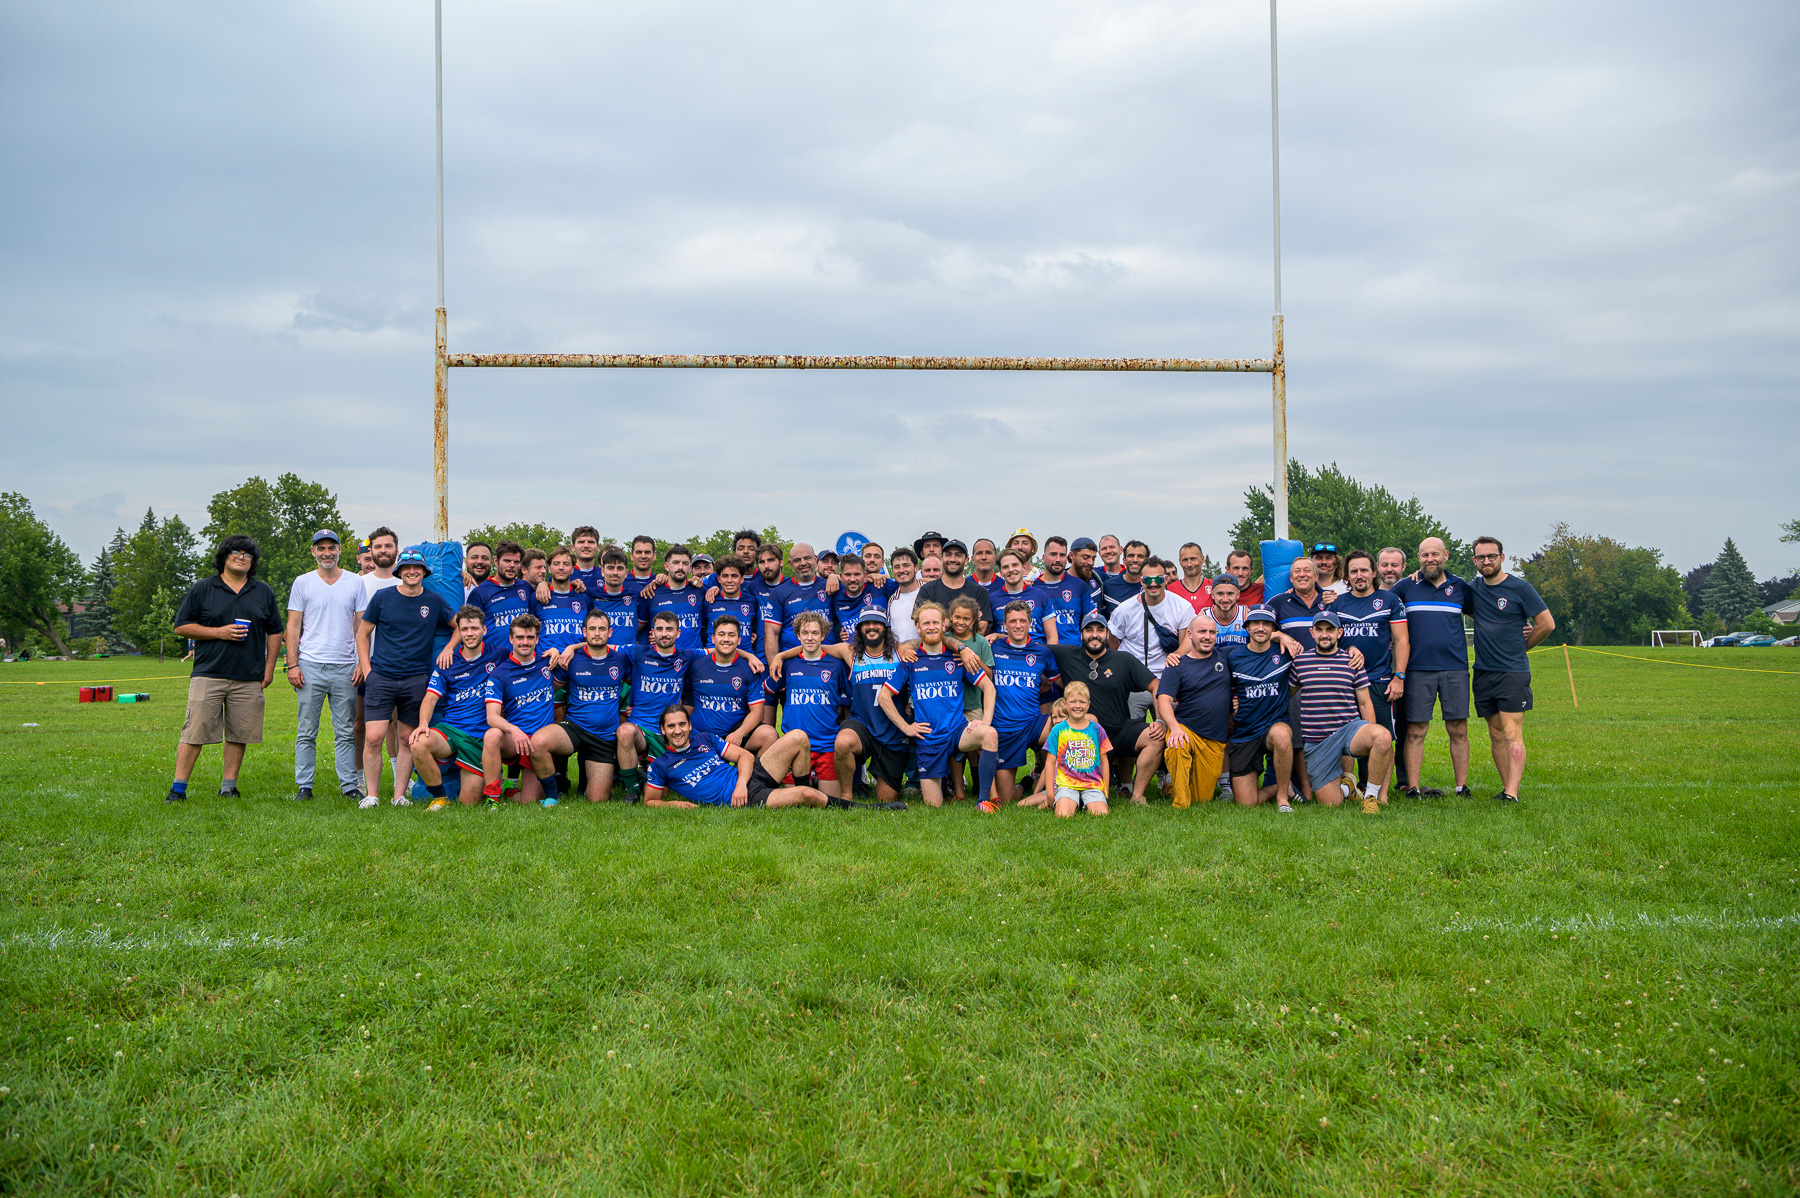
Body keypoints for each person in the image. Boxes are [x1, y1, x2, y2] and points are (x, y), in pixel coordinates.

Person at [165, 535, 284, 802]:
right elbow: (181, 626)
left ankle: (229, 786)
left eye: (248, 554)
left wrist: (269, 667)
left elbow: (276, 631)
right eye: (236, 552)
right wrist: (218, 632)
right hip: (208, 673)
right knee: (195, 731)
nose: (242, 557)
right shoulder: (203, 588)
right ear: (224, 556)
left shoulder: (262, 591)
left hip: (248, 676)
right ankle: (178, 788)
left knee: (238, 733)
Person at [355, 548, 457, 808]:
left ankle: (399, 795)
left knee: (405, 739)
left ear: (424, 571)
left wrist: (447, 648)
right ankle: (372, 795)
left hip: (415, 679)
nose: (412, 571)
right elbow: (362, 634)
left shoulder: (434, 600)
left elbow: (459, 627)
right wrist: (368, 671)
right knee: (373, 737)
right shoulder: (382, 597)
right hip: (382, 677)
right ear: (399, 571)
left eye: (417, 568)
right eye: (407, 567)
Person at [878, 600, 999, 810]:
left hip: (956, 732)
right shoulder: (911, 660)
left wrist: (984, 722)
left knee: (989, 735)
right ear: (918, 627)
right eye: (926, 623)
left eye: (936, 622)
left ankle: (983, 801)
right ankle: (945, 788)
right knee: (933, 806)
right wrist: (906, 727)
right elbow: (883, 697)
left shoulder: (957, 657)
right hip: (929, 738)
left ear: (944, 625)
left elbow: (989, 687)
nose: (931, 626)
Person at [1468, 536, 1555, 803]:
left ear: (1502, 558)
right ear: (1475, 561)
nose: (1487, 561)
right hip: (1483, 671)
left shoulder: (1521, 588)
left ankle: (1512, 793)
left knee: (1511, 732)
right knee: (1495, 733)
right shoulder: (1472, 590)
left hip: (1512, 672)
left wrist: (1523, 646)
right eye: (1481, 557)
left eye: (1491, 556)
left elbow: (1546, 624)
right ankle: (1506, 788)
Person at [1048, 612, 1163, 804]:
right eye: (1089, 630)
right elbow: (1031, 648)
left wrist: (1159, 720)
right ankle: (1056, 786)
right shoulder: (1067, 654)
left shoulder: (1123, 660)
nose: (1095, 634)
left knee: (1156, 739)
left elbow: (1155, 685)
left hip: (1120, 730)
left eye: (1100, 630)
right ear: (1081, 634)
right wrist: (998, 637)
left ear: (1107, 634)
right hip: (1086, 736)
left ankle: (1137, 795)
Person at [283, 529, 362, 802]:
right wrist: (292, 664)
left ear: (340, 550)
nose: (327, 553)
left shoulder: (354, 582)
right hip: (310, 665)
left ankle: (350, 786)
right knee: (306, 731)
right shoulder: (302, 582)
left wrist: (362, 662)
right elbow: (293, 625)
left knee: (345, 731)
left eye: (332, 547)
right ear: (313, 551)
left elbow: (361, 627)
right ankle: (304, 786)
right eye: (321, 548)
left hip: (345, 667)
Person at [1392, 537, 1474, 798]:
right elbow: (1377, 603)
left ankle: (1461, 787)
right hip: (1418, 670)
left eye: (1435, 554)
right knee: (1416, 730)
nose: (1430, 559)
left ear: (1446, 555)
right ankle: (1413, 788)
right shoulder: (1406, 587)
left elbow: (1485, 614)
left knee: (1458, 729)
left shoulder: (1460, 586)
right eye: (1425, 555)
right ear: (1418, 557)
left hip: (1455, 669)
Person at [1288, 610, 1392, 812]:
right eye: (1319, 629)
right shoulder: (1300, 663)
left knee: (1382, 737)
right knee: (1330, 804)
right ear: (1312, 632)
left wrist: (1370, 735)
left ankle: (1370, 797)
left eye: (1330, 630)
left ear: (1340, 633)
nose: (1324, 634)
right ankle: (1347, 788)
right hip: (1317, 740)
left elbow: (1364, 703)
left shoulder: (1352, 661)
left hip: (1348, 730)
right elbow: (1288, 694)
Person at [531, 609, 636, 802]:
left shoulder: (621, 659)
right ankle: (552, 796)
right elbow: (553, 689)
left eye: (602, 629)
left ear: (610, 633)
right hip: (575, 728)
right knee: (537, 743)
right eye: (592, 629)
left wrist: (632, 708)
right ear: (584, 631)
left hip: (604, 737)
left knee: (597, 799)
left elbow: (633, 685)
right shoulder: (571, 660)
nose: (597, 633)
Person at [642, 707, 836, 809]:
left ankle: (803, 788)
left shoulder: (705, 738)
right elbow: (650, 801)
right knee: (808, 796)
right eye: (671, 726)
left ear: (689, 726)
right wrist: (673, 804)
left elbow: (744, 755)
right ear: (662, 730)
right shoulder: (661, 765)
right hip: (745, 799)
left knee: (798, 737)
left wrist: (741, 785)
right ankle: (861, 808)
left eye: (682, 724)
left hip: (748, 779)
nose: (678, 731)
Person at [409, 605, 503, 808]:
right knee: (418, 743)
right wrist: (423, 724)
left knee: (468, 802)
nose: (469, 634)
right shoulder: (447, 662)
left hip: (479, 736)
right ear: (458, 632)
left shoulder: (500, 656)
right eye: (464, 629)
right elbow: (430, 698)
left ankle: (496, 779)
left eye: (474, 628)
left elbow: (528, 659)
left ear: (484, 630)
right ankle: (439, 797)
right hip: (451, 728)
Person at [1333, 550, 1409, 794]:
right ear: (1347, 575)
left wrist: (1399, 676)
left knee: (1383, 737)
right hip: (1346, 683)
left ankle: (1381, 794)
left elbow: (1402, 640)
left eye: (1364, 570)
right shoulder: (1338, 604)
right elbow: (1330, 641)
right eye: (1353, 571)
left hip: (1379, 680)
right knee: (1347, 736)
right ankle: (1352, 786)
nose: (1359, 575)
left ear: (1374, 572)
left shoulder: (1389, 601)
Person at [481, 613, 562, 806]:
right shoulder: (500, 673)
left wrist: (559, 651)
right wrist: (514, 730)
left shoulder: (548, 663)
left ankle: (509, 790)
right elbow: (492, 717)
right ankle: (492, 796)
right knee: (492, 735)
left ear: (537, 639)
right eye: (519, 637)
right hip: (514, 740)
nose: (525, 642)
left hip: (538, 745)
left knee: (529, 801)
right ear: (511, 639)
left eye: (530, 637)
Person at [765, 611, 850, 793]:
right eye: (805, 633)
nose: (810, 638)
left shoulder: (835, 664)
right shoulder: (788, 663)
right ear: (798, 636)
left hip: (826, 744)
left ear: (823, 635)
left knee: (830, 802)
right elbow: (769, 689)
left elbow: (849, 696)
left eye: (815, 633)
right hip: (794, 745)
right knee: (794, 798)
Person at [1155, 612, 1233, 809]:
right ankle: (1180, 805)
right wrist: (1174, 728)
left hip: (1214, 739)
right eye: (1202, 632)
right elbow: (1164, 701)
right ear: (1189, 634)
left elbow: (1257, 644)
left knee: (1202, 798)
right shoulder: (1176, 665)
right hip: (1186, 729)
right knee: (1176, 744)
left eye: (1212, 632)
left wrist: (1279, 635)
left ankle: (1171, 789)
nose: (1207, 636)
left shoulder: (1225, 657)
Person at [985, 600, 1060, 803]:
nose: (1018, 625)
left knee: (1066, 729)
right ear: (1005, 625)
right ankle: (1026, 784)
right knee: (1007, 798)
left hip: (1034, 723)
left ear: (1030, 623)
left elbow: (1060, 681)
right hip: (1004, 728)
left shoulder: (1042, 652)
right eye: (1012, 621)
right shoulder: (992, 647)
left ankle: (1066, 785)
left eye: (1022, 621)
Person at [1224, 607, 1298, 810]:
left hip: (1273, 726)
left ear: (1273, 628)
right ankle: (1281, 787)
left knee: (1282, 734)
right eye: (1255, 623)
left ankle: (1282, 798)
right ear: (1247, 627)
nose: (1260, 628)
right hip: (1245, 731)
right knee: (1247, 804)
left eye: (1266, 624)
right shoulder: (1233, 657)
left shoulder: (1285, 653)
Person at [1106, 559, 1193, 722]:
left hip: (1166, 679)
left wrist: (1177, 654)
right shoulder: (1124, 609)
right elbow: (1113, 640)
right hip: (1133, 682)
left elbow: (1188, 639)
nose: (1153, 584)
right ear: (1141, 581)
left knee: (1167, 731)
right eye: (1148, 580)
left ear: (1166, 579)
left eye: (1158, 579)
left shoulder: (1182, 606)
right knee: (1131, 730)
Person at [351, 527, 402, 793]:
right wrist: (361, 662)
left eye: (388, 546)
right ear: (370, 551)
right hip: (365, 665)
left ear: (396, 549)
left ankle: (398, 776)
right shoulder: (360, 583)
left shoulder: (406, 580)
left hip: (396, 667)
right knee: (361, 724)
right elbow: (355, 623)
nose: (383, 551)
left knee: (395, 723)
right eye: (378, 547)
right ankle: (359, 778)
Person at [1043, 682, 1111, 818]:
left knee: (1100, 815)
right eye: (1073, 702)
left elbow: (1104, 761)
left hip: (1092, 784)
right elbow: (1050, 763)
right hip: (1067, 784)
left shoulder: (1097, 729)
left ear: (1088, 704)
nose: (1078, 706)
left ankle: (1087, 802)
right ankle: (1071, 801)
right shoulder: (1058, 730)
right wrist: (1050, 793)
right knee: (1063, 815)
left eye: (1082, 702)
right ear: (1065, 703)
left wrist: (1105, 790)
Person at [762, 541, 832, 663]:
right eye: (797, 560)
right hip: (794, 663)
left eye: (807, 558)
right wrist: (774, 666)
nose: (803, 563)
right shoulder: (779, 592)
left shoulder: (830, 587)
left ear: (815, 559)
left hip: (828, 662)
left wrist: (875, 577)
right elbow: (771, 634)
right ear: (790, 563)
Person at [918, 539, 996, 633]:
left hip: (970, 647)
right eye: (948, 554)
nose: (953, 559)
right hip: (935, 647)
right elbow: (922, 625)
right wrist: (967, 623)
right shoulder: (927, 590)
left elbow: (981, 630)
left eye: (958, 555)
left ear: (966, 560)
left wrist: (941, 621)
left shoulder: (979, 592)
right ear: (941, 558)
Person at [640, 544, 707, 652]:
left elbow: (705, 625)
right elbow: (638, 629)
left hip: (693, 659)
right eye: (676, 563)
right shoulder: (651, 593)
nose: (680, 567)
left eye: (685, 563)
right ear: (666, 566)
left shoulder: (700, 592)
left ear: (690, 568)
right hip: (663, 660)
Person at [467, 541, 537, 641]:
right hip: (493, 655)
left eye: (516, 562)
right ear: (496, 561)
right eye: (507, 561)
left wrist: (544, 585)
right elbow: (472, 630)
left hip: (521, 654)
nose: (512, 565)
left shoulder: (525, 587)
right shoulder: (479, 592)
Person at [1035, 536, 1097, 645]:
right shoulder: (1034, 588)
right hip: (1044, 653)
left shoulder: (1078, 585)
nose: (1058, 559)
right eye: (1053, 554)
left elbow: (1092, 622)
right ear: (1044, 558)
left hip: (1073, 655)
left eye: (1062, 555)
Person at [988, 550, 1056, 644]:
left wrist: (1046, 657)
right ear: (1000, 571)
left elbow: (1052, 637)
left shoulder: (1040, 596)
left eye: (1015, 565)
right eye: (1005, 567)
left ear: (1023, 567)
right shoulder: (992, 600)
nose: (1011, 569)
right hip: (1005, 655)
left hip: (1036, 655)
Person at [533, 546, 591, 655]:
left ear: (572, 569)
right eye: (556, 564)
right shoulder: (537, 597)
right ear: (549, 568)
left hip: (576, 663)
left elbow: (589, 636)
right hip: (546, 662)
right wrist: (543, 583)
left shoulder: (584, 598)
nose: (561, 567)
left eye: (566, 564)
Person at [702, 557, 764, 658]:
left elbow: (754, 628)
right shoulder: (709, 600)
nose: (729, 580)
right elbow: (702, 628)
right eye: (725, 576)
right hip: (713, 659)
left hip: (745, 660)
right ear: (719, 579)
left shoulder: (752, 601)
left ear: (742, 579)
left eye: (734, 576)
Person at [587, 547, 642, 646]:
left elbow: (642, 623)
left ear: (626, 573)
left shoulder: (636, 596)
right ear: (602, 571)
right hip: (600, 656)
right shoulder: (591, 595)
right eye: (610, 568)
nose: (615, 573)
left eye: (619, 568)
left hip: (627, 658)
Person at [886, 548, 924, 642]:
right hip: (900, 655)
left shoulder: (928, 592)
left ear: (916, 568)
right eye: (897, 567)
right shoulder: (892, 600)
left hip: (926, 654)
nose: (901, 570)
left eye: (906, 565)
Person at [1205, 576, 1248, 649]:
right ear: (1212, 595)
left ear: (1238, 595)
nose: (1225, 599)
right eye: (1220, 594)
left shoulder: (1246, 615)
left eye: (1230, 594)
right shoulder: (1204, 617)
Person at [1169, 543, 1214, 611]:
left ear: (1202, 559)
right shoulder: (1169, 590)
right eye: (1185, 560)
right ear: (1180, 562)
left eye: (1193, 559)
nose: (1189, 564)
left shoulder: (1213, 586)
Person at [568, 526, 603, 592]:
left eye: (591, 542)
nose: (586, 546)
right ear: (573, 547)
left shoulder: (605, 575)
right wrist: (543, 585)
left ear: (598, 547)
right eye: (581, 542)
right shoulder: (563, 574)